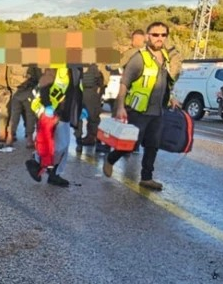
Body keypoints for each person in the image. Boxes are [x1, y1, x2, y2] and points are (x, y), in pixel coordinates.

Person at [103, 22, 178, 191]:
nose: (159, 38)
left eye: (163, 35)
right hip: (138, 110)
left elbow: (165, 82)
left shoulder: (165, 57)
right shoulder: (139, 58)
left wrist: (172, 98)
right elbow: (124, 83)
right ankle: (110, 159)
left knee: (153, 145)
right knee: (130, 144)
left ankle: (146, 178)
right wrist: (120, 106)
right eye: (155, 34)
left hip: (157, 111)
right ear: (147, 36)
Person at [25, 63, 83, 187]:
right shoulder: (57, 68)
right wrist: (48, 107)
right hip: (54, 113)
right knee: (59, 146)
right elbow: (44, 87)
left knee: (62, 146)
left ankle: (51, 171)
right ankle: (39, 164)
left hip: (64, 113)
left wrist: (80, 109)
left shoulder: (75, 69)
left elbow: (75, 90)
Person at [7, 64, 42, 148]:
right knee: (30, 116)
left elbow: (8, 77)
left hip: (15, 91)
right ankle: (29, 139)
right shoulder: (33, 63)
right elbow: (39, 77)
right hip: (28, 92)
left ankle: (9, 137)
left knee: (14, 115)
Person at [76, 63, 104, 153]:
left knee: (81, 118)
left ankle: (81, 141)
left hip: (84, 91)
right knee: (92, 118)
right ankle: (90, 139)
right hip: (89, 92)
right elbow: (103, 80)